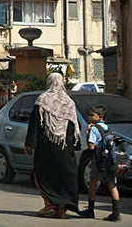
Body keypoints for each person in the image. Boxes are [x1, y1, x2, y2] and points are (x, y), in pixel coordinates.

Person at [24, 72, 80, 219]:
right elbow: (74, 126)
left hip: (46, 147)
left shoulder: (42, 100)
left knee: (43, 174)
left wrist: (30, 144)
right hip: (64, 147)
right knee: (64, 177)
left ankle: (49, 203)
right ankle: (61, 209)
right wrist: (75, 146)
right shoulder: (69, 103)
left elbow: (35, 123)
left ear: (49, 83)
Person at [77, 105, 121, 222]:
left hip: (99, 161)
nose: (89, 117)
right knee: (112, 185)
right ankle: (116, 212)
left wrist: (87, 133)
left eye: (92, 115)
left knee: (92, 183)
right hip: (110, 161)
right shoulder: (107, 128)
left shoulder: (94, 129)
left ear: (100, 116)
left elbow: (91, 146)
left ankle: (90, 210)